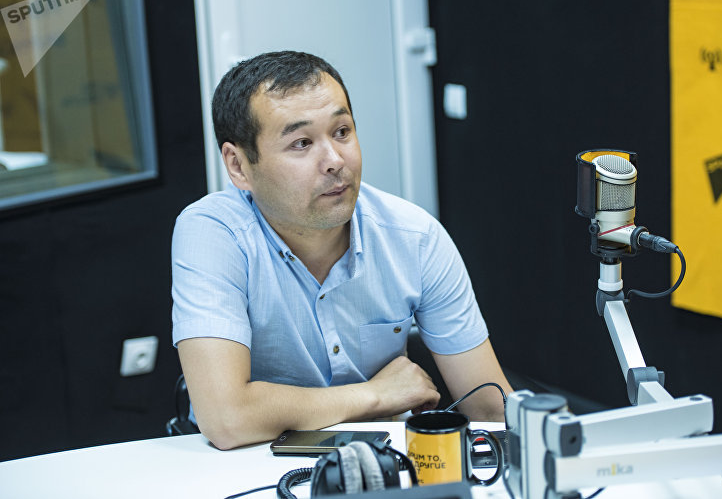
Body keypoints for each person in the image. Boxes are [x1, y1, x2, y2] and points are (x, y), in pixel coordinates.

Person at [172, 51, 512, 450]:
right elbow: (226, 418)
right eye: (301, 143)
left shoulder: (415, 237)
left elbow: (490, 410)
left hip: (379, 460)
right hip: (241, 460)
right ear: (238, 166)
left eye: (342, 132)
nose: (335, 161)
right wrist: (376, 396)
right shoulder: (213, 233)